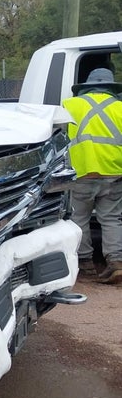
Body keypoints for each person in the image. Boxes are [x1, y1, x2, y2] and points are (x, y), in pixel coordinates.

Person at [62, 67, 122, 285]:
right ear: (110, 88)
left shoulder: (70, 105)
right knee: (111, 218)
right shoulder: (120, 107)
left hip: (82, 171)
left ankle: (85, 263)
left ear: (86, 86)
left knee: (79, 219)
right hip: (114, 171)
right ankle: (115, 262)